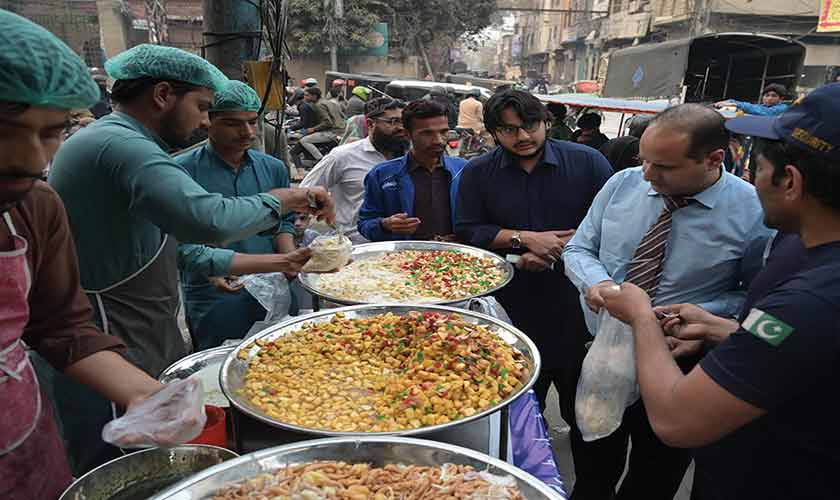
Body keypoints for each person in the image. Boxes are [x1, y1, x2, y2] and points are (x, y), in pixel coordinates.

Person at [599, 82, 840, 500]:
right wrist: (724, 329)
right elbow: (806, 353)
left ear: (791, 181)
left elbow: (677, 420)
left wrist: (641, 315)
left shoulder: (808, 299)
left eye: (758, 169)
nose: (752, 180)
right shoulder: (805, 264)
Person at [0, 11, 204, 497]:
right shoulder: (119, 145)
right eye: (5, 128)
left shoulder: (33, 207)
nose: (33, 159)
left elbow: (59, 326)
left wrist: (148, 395)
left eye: (51, 131)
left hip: (25, 448)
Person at [562, 103, 772, 500]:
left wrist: (702, 314)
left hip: (680, 362)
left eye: (665, 168)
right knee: (591, 469)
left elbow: (754, 296)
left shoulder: (754, 211)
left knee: (654, 476)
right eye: (644, 161)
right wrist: (600, 285)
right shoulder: (622, 184)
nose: (648, 175)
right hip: (598, 353)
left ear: (713, 159)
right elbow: (578, 249)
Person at [455, 89, 612, 439]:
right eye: (509, 129)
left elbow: (613, 224)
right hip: (513, 307)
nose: (523, 136)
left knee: (588, 413)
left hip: (581, 305)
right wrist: (523, 240)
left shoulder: (588, 162)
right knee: (519, 409)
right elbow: (469, 231)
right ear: (493, 132)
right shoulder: (478, 173)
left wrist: (566, 246)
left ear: (547, 122)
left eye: (529, 125)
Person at [176, 81, 312, 350]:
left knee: (281, 357)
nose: (247, 132)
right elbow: (174, 236)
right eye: (233, 123)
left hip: (274, 278)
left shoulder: (272, 168)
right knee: (218, 362)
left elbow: (282, 221)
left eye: (252, 122)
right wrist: (211, 270)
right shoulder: (180, 170)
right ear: (208, 121)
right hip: (216, 291)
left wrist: (288, 259)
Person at [301, 98, 409, 243]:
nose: (401, 127)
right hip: (354, 244)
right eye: (393, 121)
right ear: (371, 123)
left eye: (404, 122)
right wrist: (322, 206)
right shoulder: (343, 156)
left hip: (400, 247)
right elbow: (305, 191)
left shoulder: (410, 157)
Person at [358, 99, 466, 242]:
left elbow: (479, 221)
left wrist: (463, 237)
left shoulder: (464, 170)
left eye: (444, 132)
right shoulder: (382, 174)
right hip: (403, 260)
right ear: (407, 134)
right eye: (427, 133)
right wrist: (385, 225)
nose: (438, 140)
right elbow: (365, 223)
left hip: (455, 259)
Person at [298, 87, 345, 162]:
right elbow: (343, 116)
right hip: (341, 130)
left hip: (333, 132)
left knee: (304, 140)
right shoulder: (329, 102)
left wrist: (313, 129)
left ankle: (321, 160)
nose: (305, 97)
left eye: (307, 95)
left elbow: (328, 122)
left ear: (314, 96)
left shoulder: (319, 105)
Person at [715, 83, 789, 116]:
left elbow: (765, 113)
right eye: (767, 95)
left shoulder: (783, 108)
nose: (769, 98)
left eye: (774, 96)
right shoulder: (760, 106)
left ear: (781, 98)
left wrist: (736, 104)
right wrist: (730, 102)